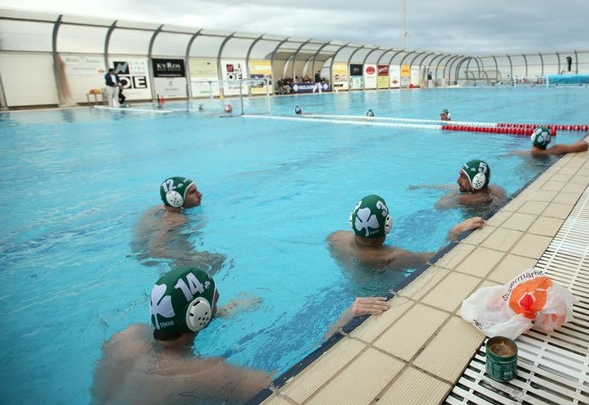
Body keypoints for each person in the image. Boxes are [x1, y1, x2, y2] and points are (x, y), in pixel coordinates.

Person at [92, 267, 390, 404]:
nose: (219, 304)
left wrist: (227, 310)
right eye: (216, 301)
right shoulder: (203, 374)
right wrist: (342, 322)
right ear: (198, 314)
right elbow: (297, 385)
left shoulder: (125, 337)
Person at [327, 195, 485, 273]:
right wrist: (454, 232)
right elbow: (440, 258)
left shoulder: (335, 238)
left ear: (352, 220)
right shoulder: (394, 257)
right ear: (387, 225)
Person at [130, 176, 226, 275]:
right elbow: (154, 249)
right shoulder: (176, 220)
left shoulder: (156, 209)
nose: (200, 194)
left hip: (139, 250)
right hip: (147, 256)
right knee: (217, 260)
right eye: (192, 192)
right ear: (175, 198)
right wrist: (187, 256)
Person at [433, 159, 508, 215]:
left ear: (478, 180)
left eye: (463, 177)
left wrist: (454, 192)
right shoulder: (497, 189)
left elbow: (439, 206)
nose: (458, 180)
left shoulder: (466, 199)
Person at [521, 126, 589, 156]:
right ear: (549, 141)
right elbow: (585, 144)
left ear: (532, 138)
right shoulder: (555, 150)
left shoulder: (524, 154)